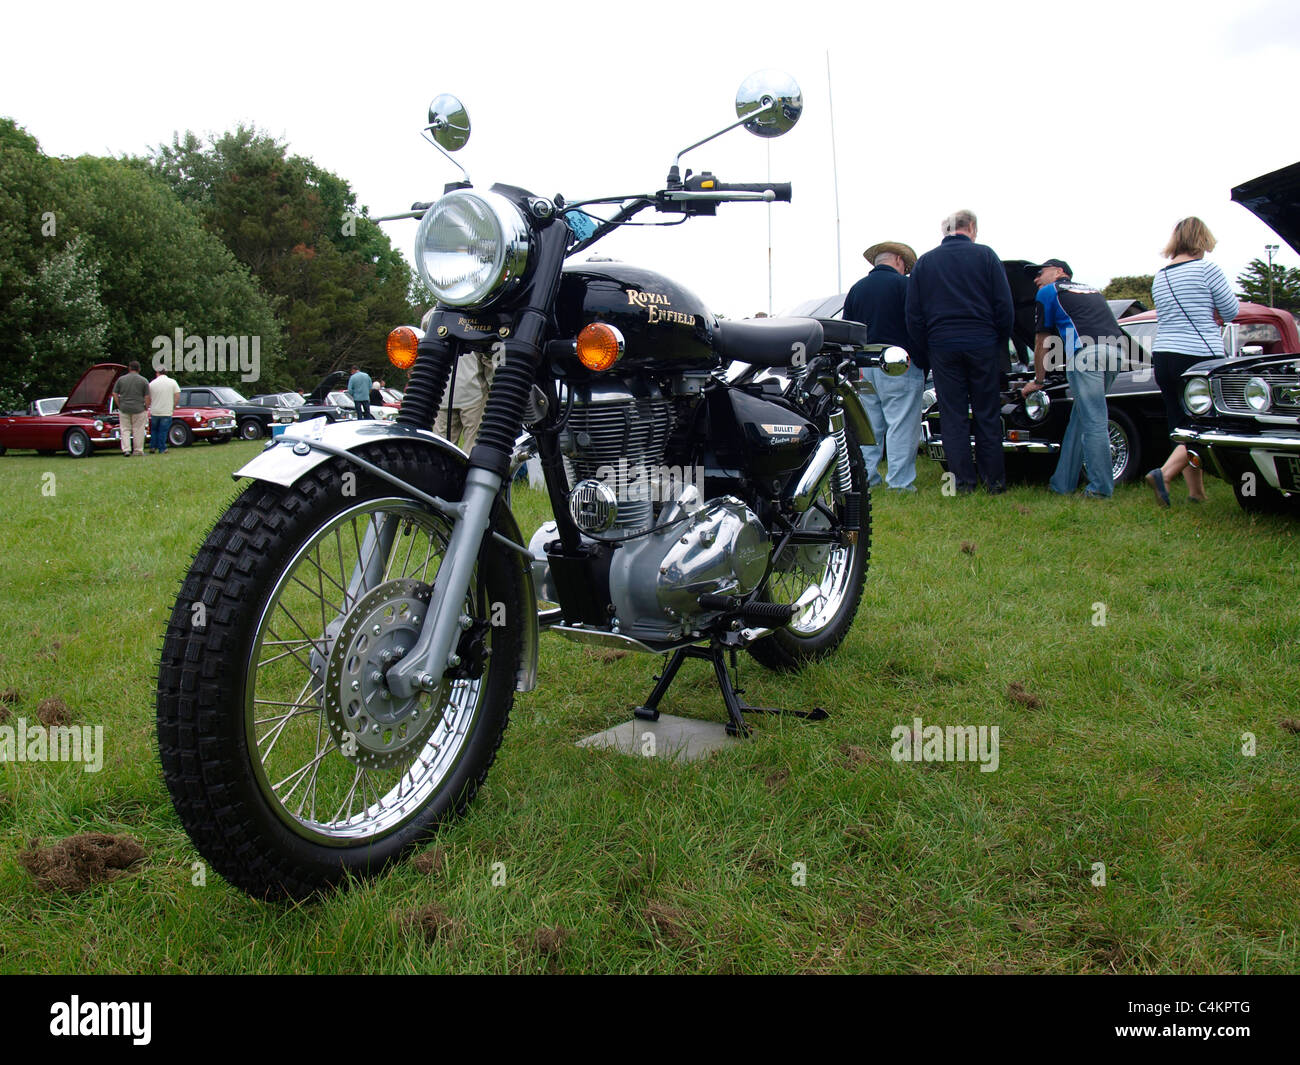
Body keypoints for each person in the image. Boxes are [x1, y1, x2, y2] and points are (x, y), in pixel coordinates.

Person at [905, 209, 1014, 494]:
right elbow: (1004, 306)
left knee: (952, 417)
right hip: (982, 341)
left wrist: (926, 351)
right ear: (972, 228)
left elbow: (913, 315)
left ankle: (961, 484)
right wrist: (996, 341)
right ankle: (995, 483)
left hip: (942, 345)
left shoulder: (925, 263)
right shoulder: (986, 256)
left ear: (946, 231)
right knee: (986, 414)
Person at [1144, 217, 1239, 506]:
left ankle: (1196, 493)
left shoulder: (1161, 275)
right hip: (1198, 354)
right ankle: (1164, 473)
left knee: (1181, 425)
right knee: (1204, 424)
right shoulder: (1207, 269)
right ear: (1202, 240)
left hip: (1164, 355)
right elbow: (1231, 311)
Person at [1020, 259, 1126, 498]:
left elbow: (1042, 341)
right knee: (1081, 418)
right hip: (1116, 353)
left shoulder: (1049, 291)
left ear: (1059, 272)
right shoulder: (1092, 290)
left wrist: (1038, 380)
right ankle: (1062, 483)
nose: (1036, 279)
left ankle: (1100, 490)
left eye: (1040, 273)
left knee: (1094, 422)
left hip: (1087, 355)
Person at [844, 240, 923, 491]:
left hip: (864, 367)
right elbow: (916, 325)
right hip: (899, 363)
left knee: (869, 425)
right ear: (898, 261)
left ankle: (867, 478)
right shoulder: (906, 286)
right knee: (901, 423)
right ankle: (900, 483)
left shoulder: (857, 289)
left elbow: (848, 331)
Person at [421, 308, 493, 450]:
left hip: (443, 394)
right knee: (473, 446)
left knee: (441, 447)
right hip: (474, 394)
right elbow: (487, 360)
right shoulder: (475, 321)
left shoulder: (434, 315)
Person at [112, 361, 150, 457]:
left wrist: (119, 404)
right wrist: (146, 407)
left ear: (129, 368)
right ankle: (138, 450)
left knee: (125, 429)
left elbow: (114, 393)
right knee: (138, 430)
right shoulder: (143, 380)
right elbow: (147, 396)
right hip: (139, 408)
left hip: (124, 408)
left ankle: (126, 450)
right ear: (139, 369)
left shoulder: (121, 379)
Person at [148, 366, 181, 454]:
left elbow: (148, 397)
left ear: (157, 373)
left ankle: (152, 446)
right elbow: (177, 395)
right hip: (166, 411)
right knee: (163, 430)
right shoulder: (172, 382)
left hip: (155, 410)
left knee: (154, 430)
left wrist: (149, 405)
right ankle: (162, 448)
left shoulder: (152, 383)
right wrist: (173, 406)